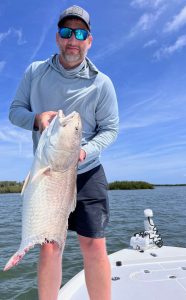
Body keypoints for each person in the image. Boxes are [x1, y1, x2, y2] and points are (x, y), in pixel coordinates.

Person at [9, 5, 119, 300]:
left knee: (94, 245)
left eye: (80, 33)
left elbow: (110, 129)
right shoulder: (35, 72)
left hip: (88, 172)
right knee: (50, 245)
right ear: (57, 38)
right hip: (48, 173)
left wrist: (84, 152)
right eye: (66, 32)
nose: (73, 39)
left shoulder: (102, 83)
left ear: (89, 40)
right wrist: (36, 119)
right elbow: (14, 112)